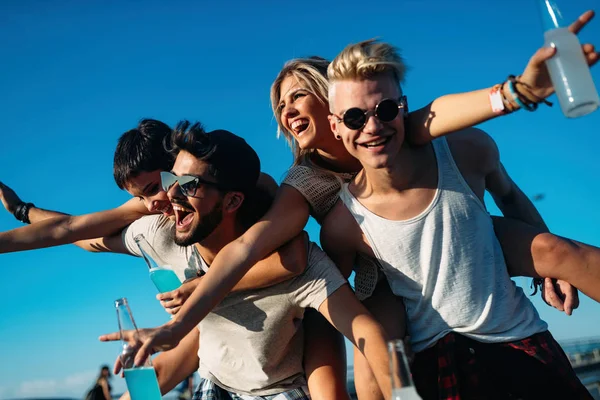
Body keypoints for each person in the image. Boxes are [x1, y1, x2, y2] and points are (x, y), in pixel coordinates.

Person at [104, 10, 600, 400]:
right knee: (372, 359)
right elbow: (255, 245)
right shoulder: (306, 181)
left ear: (331, 99)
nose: (287, 109)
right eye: (280, 106)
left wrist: (518, 91)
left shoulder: (400, 127)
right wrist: (179, 317)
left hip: (455, 227)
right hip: (372, 267)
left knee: (556, 251)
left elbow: (443, 115)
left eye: (298, 95)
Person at [318, 38, 593, 399]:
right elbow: (347, 303)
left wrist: (550, 269)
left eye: (384, 110)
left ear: (403, 108)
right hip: (441, 361)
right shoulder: (343, 224)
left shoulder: (465, 151)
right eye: (355, 117)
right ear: (335, 126)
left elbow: (509, 195)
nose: (372, 127)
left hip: (521, 341)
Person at [100, 121, 395, 399]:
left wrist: (405, 393)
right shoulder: (167, 235)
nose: (171, 194)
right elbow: (76, 231)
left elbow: (366, 331)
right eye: (170, 180)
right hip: (214, 387)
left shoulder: (296, 261)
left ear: (232, 201)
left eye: (188, 184)